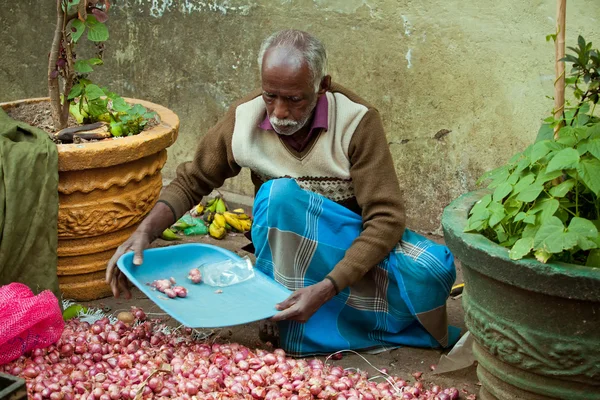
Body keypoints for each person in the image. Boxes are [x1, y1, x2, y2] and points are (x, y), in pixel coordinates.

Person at [106, 29, 460, 356]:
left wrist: (327, 286)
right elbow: (192, 180)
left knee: (432, 271)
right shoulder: (244, 119)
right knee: (278, 197)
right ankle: (298, 326)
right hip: (290, 254)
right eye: (270, 95)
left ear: (322, 87)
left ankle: (331, 309)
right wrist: (143, 232)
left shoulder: (356, 122)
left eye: (294, 99)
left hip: (349, 245)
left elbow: (386, 218)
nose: (279, 112)